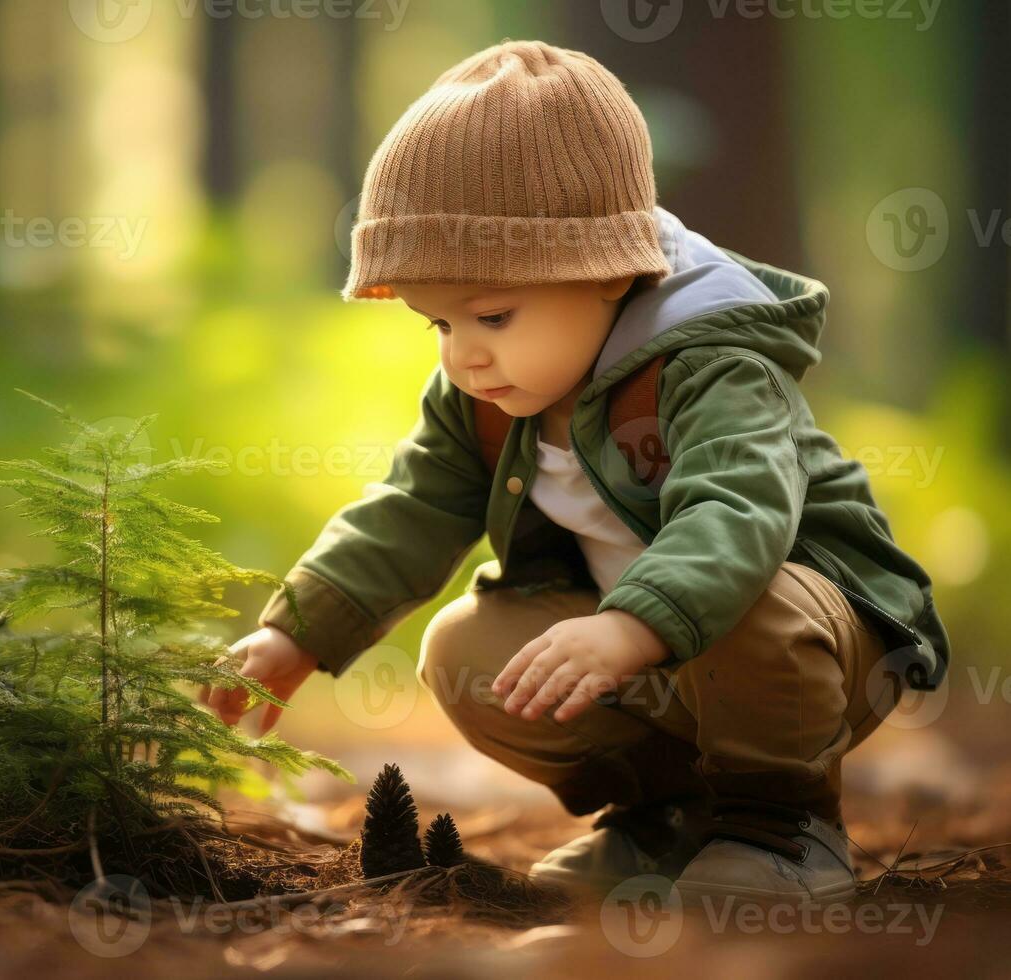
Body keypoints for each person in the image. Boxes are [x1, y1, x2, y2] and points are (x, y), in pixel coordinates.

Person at [199, 39, 951, 905]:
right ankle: (662, 821)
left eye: (490, 314)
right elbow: (412, 507)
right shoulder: (484, 393)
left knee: (753, 600)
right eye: (435, 323)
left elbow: (737, 514)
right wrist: (300, 633)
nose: (463, 353)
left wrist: (630, 627)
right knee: (465, 650)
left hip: (811, 651)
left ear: (605, 270)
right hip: (653, 657)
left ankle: (777, 827)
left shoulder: (713, 365)